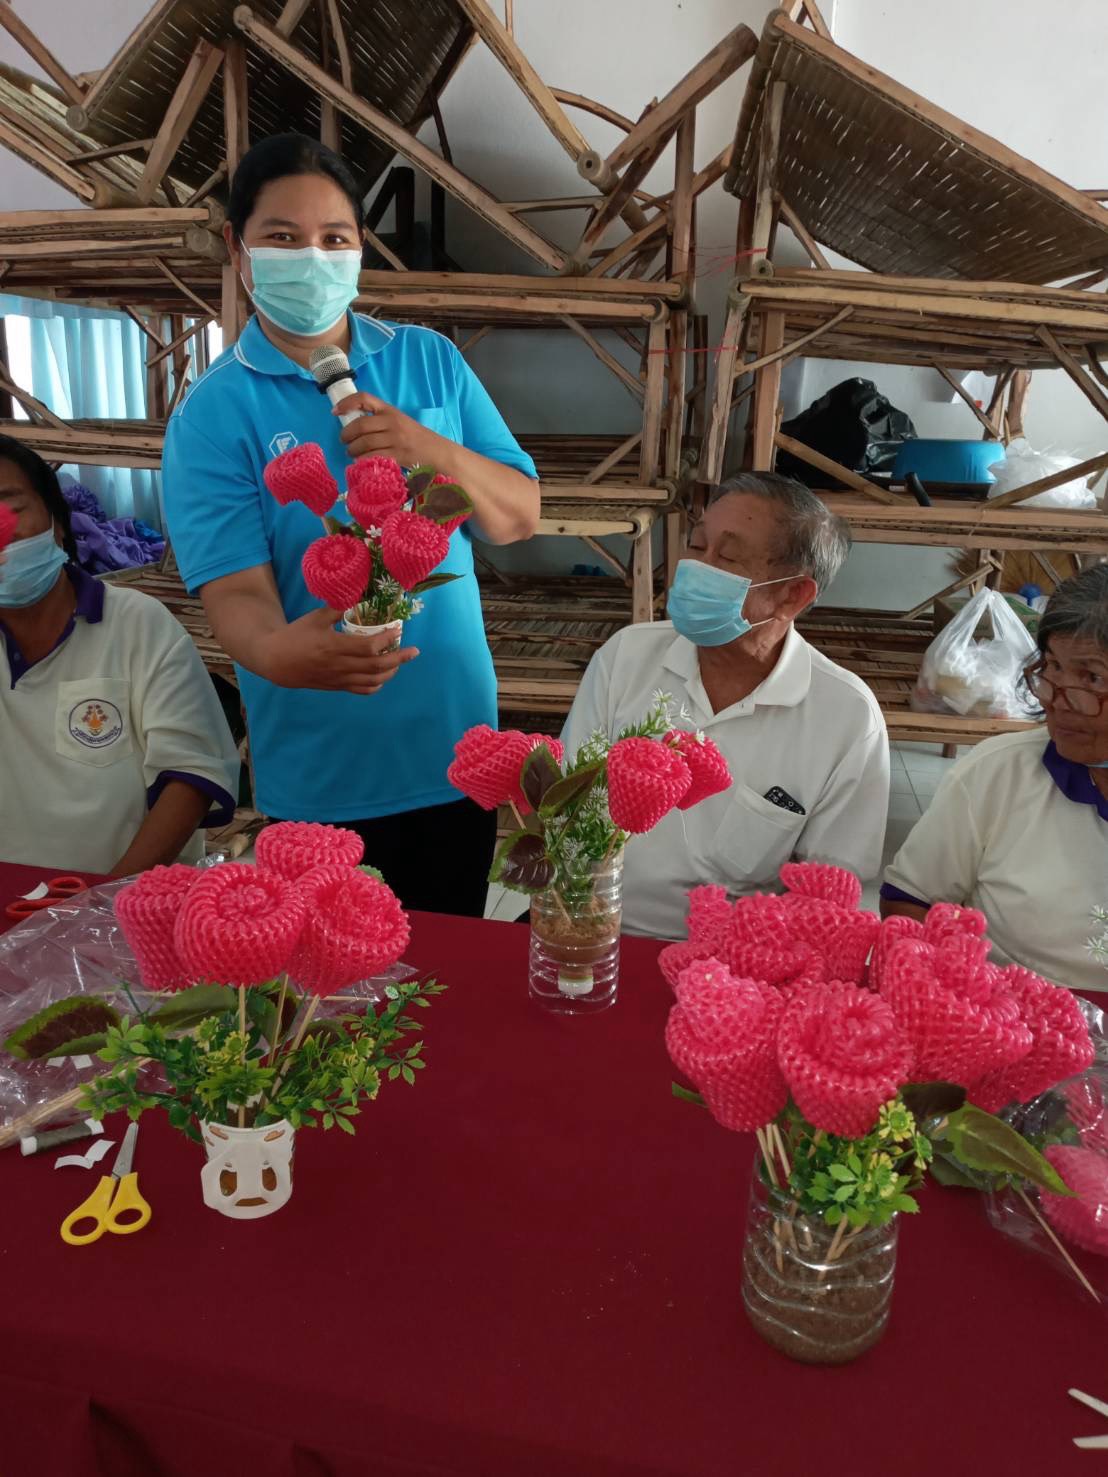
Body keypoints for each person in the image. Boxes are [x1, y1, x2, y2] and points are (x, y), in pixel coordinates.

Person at [162, 133, 539, 916]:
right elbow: (236, 594)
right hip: (322, 770)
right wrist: (280, 652)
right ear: (237, 248)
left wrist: (431, 448)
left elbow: (517, 516)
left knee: (446, 959)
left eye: (334, 238)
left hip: (456, 752)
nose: (313, 257)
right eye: (282, 237)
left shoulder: (429, 361)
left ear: (361, 249)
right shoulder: (214, 413)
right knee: (332, 974)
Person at [562, 472, 890, 939]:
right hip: (595, 928)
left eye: (728, 557)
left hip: (735, 958)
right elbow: (567, 807)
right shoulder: (627, 657)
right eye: (697, 546)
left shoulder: (846, 718)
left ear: (792, 595)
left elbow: (829, 896)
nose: (696, 567)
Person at [0, 437, 239, 875]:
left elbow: (191, 775)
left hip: (129, 896)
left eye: (11, 508)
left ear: (57, 523)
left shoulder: (138, 625)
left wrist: (108, 899)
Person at [882, 563, 1108, 992]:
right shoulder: (998, 774)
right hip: (1001, 1013)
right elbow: (909, 901)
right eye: (1053, 667)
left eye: (1092, 677)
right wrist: (970, 1002)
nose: (1057, 699)